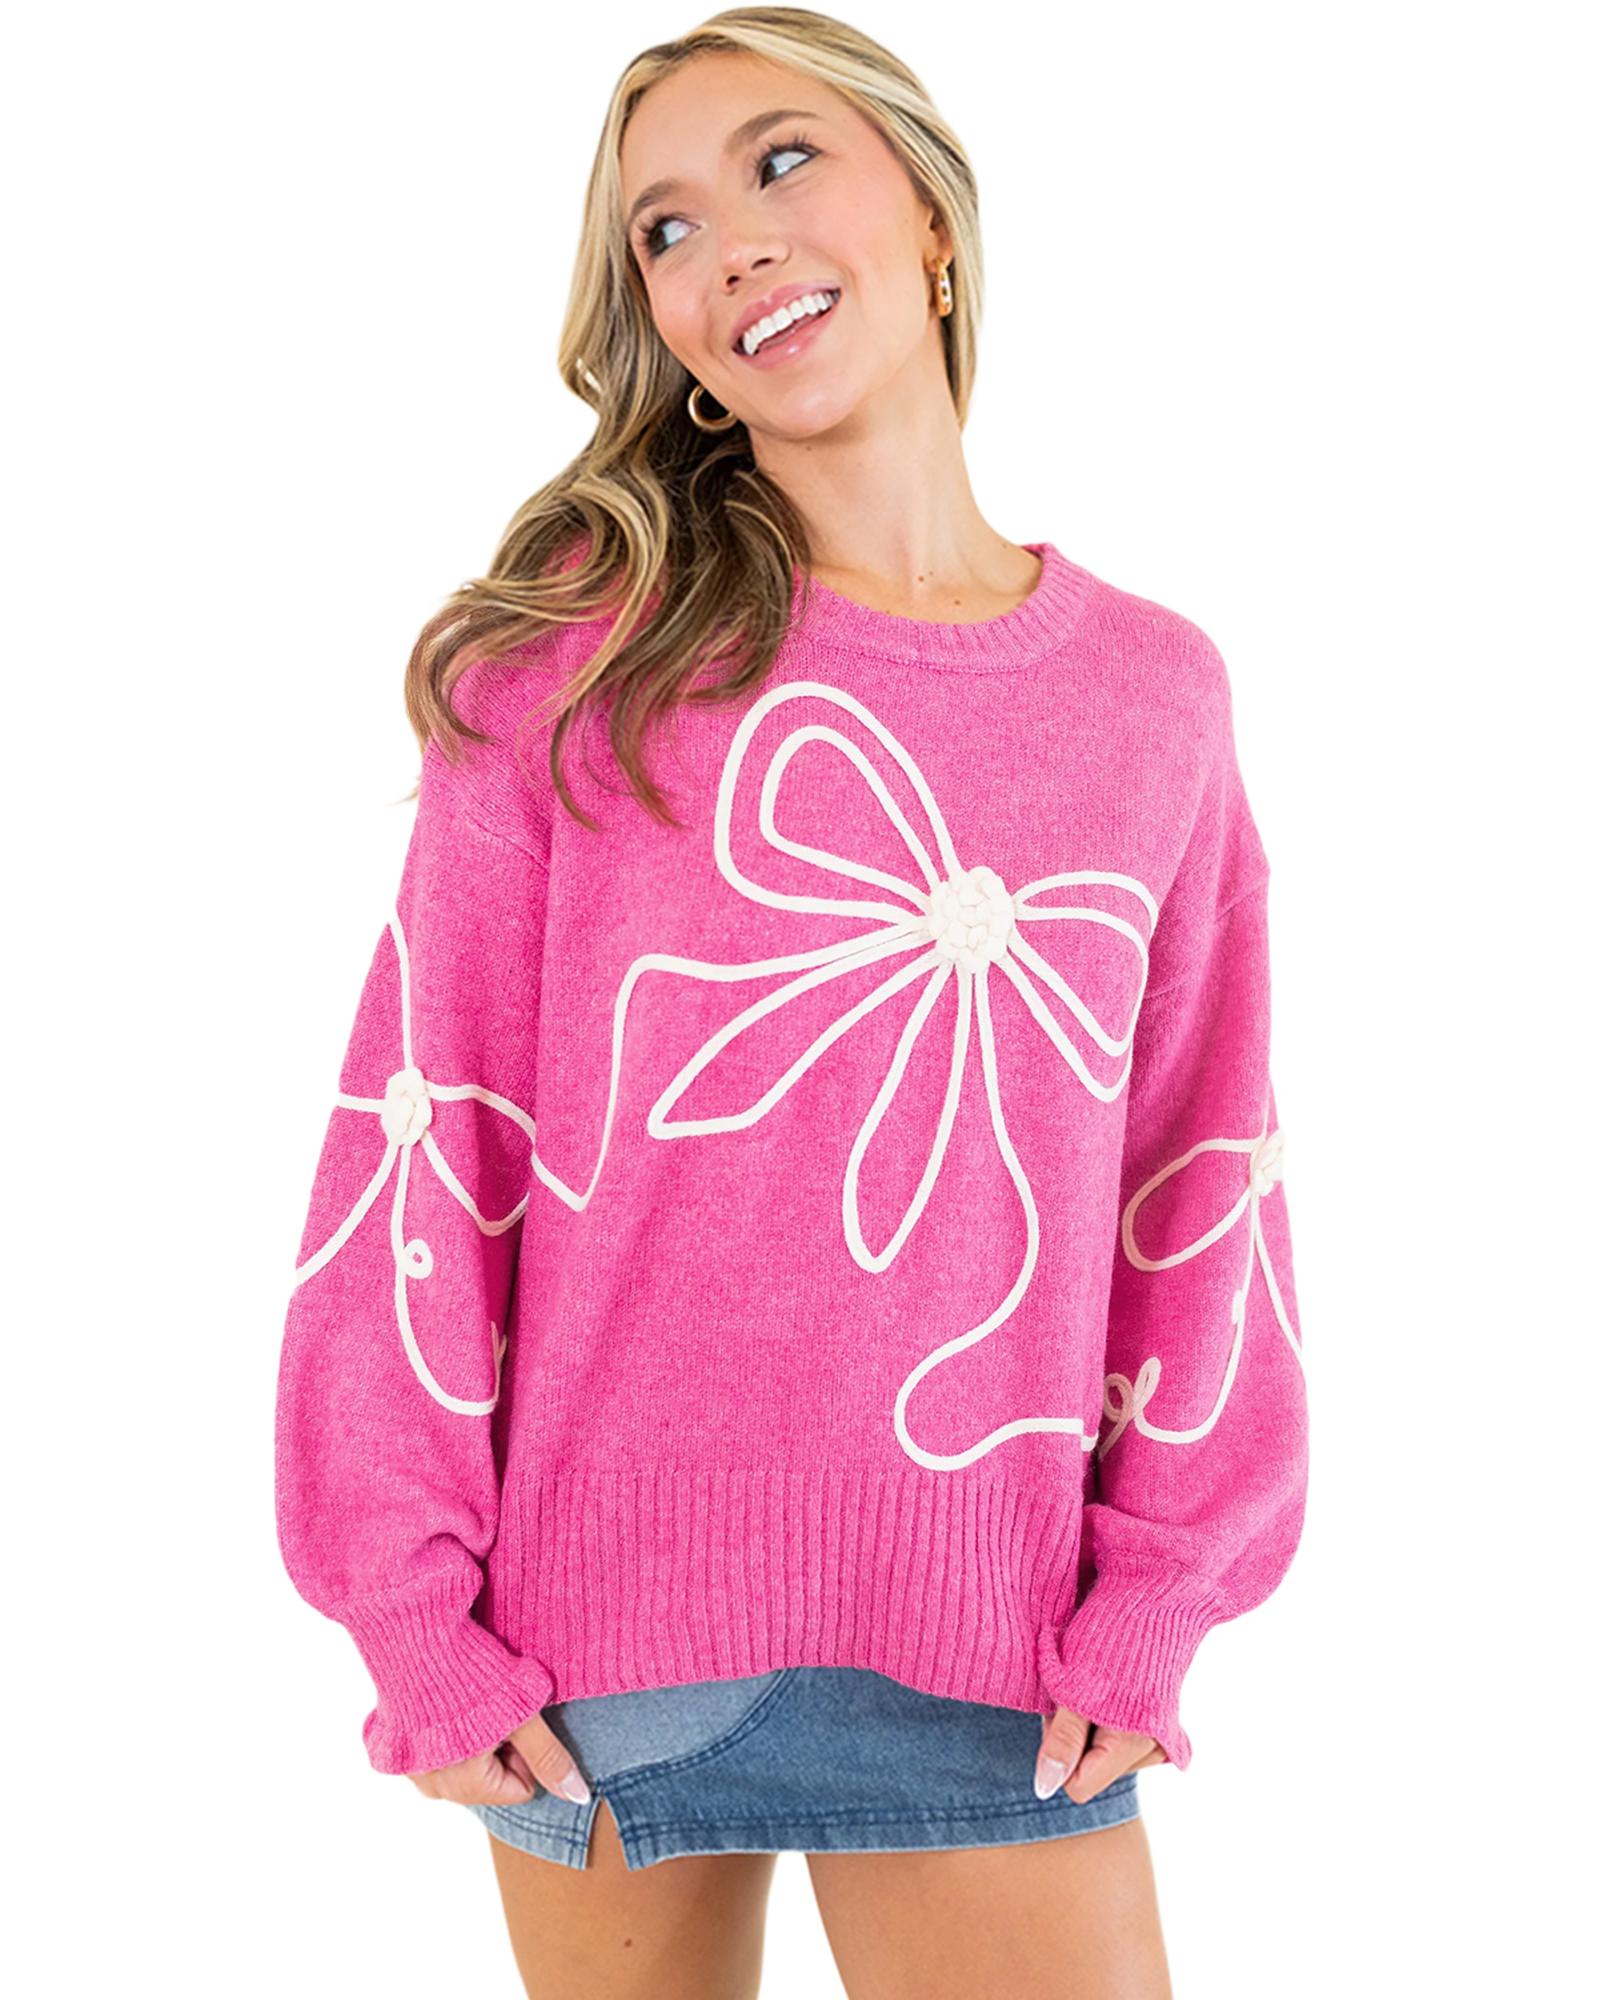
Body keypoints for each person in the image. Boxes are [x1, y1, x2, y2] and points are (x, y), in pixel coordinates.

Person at [274, 9, 1307, 1996]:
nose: (726, 241)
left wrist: (1160, 1590)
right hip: (586, 1652)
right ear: (660, 324)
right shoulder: (577, 665)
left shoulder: (1149, 697)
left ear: (927, 213)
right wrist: (407, 1615)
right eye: (661, 230)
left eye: (777, 161)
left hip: (998, 1644)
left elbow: (1200, 1176)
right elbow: (423, 1130)